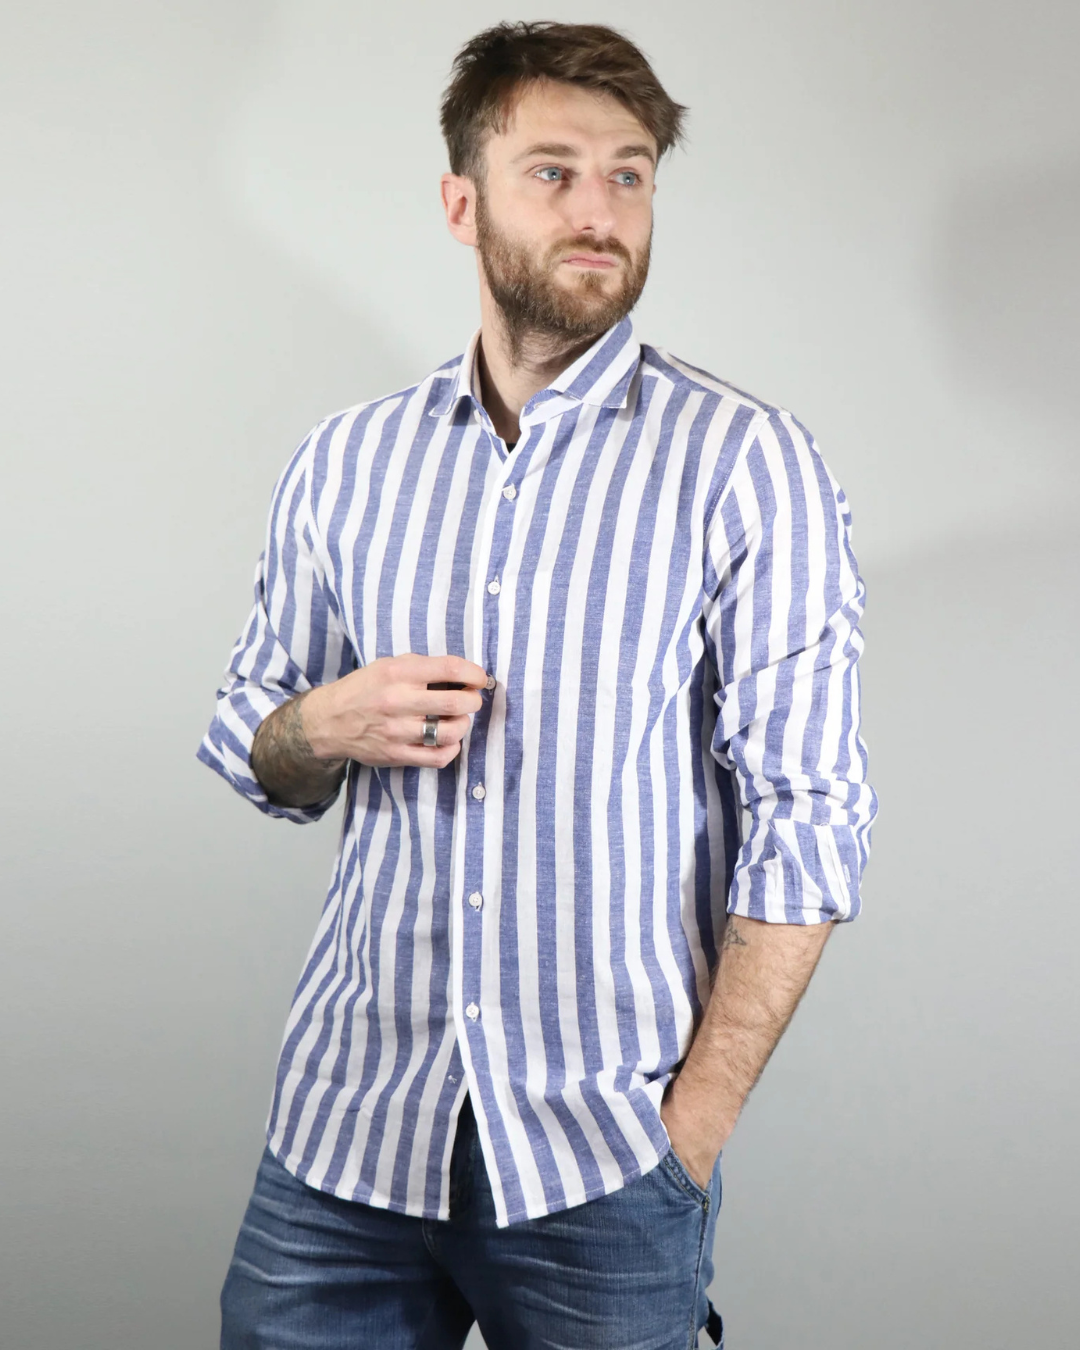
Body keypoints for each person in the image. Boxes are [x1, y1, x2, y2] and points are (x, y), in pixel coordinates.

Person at [198, 20, 877, 1350]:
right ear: (463, 205)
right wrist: (325, 722)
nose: (599, 212)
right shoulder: (348, 462)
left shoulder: (747, 464)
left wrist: (691, 1134)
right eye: (553, 172)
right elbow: (253, 739)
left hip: (601, 1161)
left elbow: (811, 817)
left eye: (629, 176)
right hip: (346, 1133)